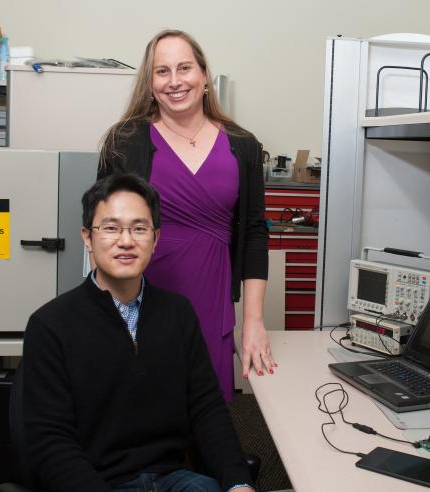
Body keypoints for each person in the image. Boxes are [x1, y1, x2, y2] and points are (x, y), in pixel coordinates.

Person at [22, 174, 254, 492]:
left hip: (174, 477)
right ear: (87, 237)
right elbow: (50, 440)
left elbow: (206, 409)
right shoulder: (51, 325)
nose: (126, 241)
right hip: (98, 482)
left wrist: (238, 481)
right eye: (111, 228)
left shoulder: (178, 314)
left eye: (139, 228)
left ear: (155, 239)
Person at [99, 29, 274, 401]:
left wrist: (254, 322)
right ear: (149, 84)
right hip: (140, 301)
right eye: (162, 72)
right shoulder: (125, 142)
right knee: (139, 414)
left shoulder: (243, 145)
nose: (175, 81)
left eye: (184, 68)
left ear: (204, 76)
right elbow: (103, 232)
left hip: (211, 300)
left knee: (205, 417)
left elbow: (255, 233)